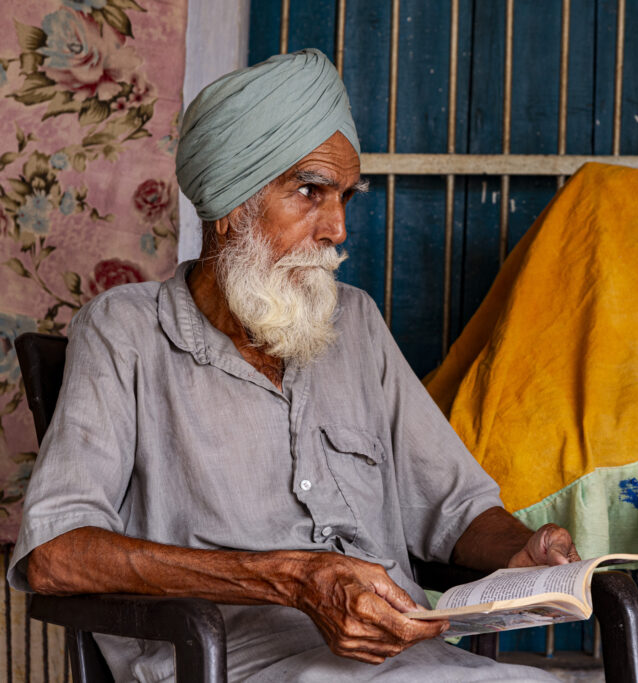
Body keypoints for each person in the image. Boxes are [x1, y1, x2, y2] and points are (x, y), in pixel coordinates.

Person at [7, 49, 578, 681]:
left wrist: (523, 549)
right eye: (309, 191)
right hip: (225, 663)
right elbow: (56, 554)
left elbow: (457, 508)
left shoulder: (353, 322)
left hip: (410, 662)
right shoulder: (126, 331)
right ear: (229, 206)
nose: (336, 227)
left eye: (345, 198)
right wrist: (292, 577)